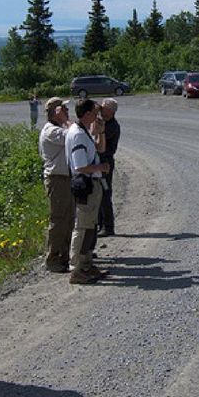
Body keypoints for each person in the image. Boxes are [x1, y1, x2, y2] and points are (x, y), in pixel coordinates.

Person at [65, 99, 111, 284]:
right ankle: (75, 269)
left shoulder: (84, 132)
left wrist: (100, 132)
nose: (97, 115)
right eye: (94, 111)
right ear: (86, 114)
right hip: (85, 185)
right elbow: (80, 165)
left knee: (90, 225)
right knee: (82, 227)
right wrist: (101, 166)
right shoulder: (77, 135)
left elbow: (100, 148)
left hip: (92, 184)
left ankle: (86, 263)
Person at [38, 97, 74, 273]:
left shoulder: (59, 128)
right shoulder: (51, 131)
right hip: (57, 179)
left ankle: (65, 256)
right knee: (58, 220)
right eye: (63, 110)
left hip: (66, 178)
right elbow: (71, 136)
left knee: (68, 220)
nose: (67, 112)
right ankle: (52, 258)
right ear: (55, 112)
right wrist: (65, 120)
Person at [97, 98, 121, 236]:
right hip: (101, 162)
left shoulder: (111, 126)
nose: (101, 108)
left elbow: (103, 145)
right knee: (99, 194)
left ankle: (108, 226)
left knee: (105, 193)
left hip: (105, 163)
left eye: (103, 107)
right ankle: (101, 224)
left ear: (110, 111)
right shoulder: (105, 123)